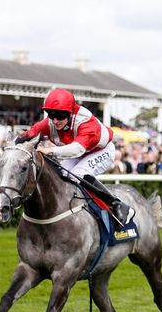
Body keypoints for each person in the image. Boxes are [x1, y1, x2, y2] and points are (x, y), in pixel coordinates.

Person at [15, 88, 134, 230]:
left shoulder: (86, 122)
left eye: (60, 115)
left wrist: (50, 150)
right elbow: (33, 131)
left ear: (71, 113)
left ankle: (117, 204)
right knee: (61, 175)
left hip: (101, 151)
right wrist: (16, 142)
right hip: (80, 153)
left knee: (78, 174)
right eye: (51, 114)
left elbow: (77, 148)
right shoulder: (52, 121)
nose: (55, 120)